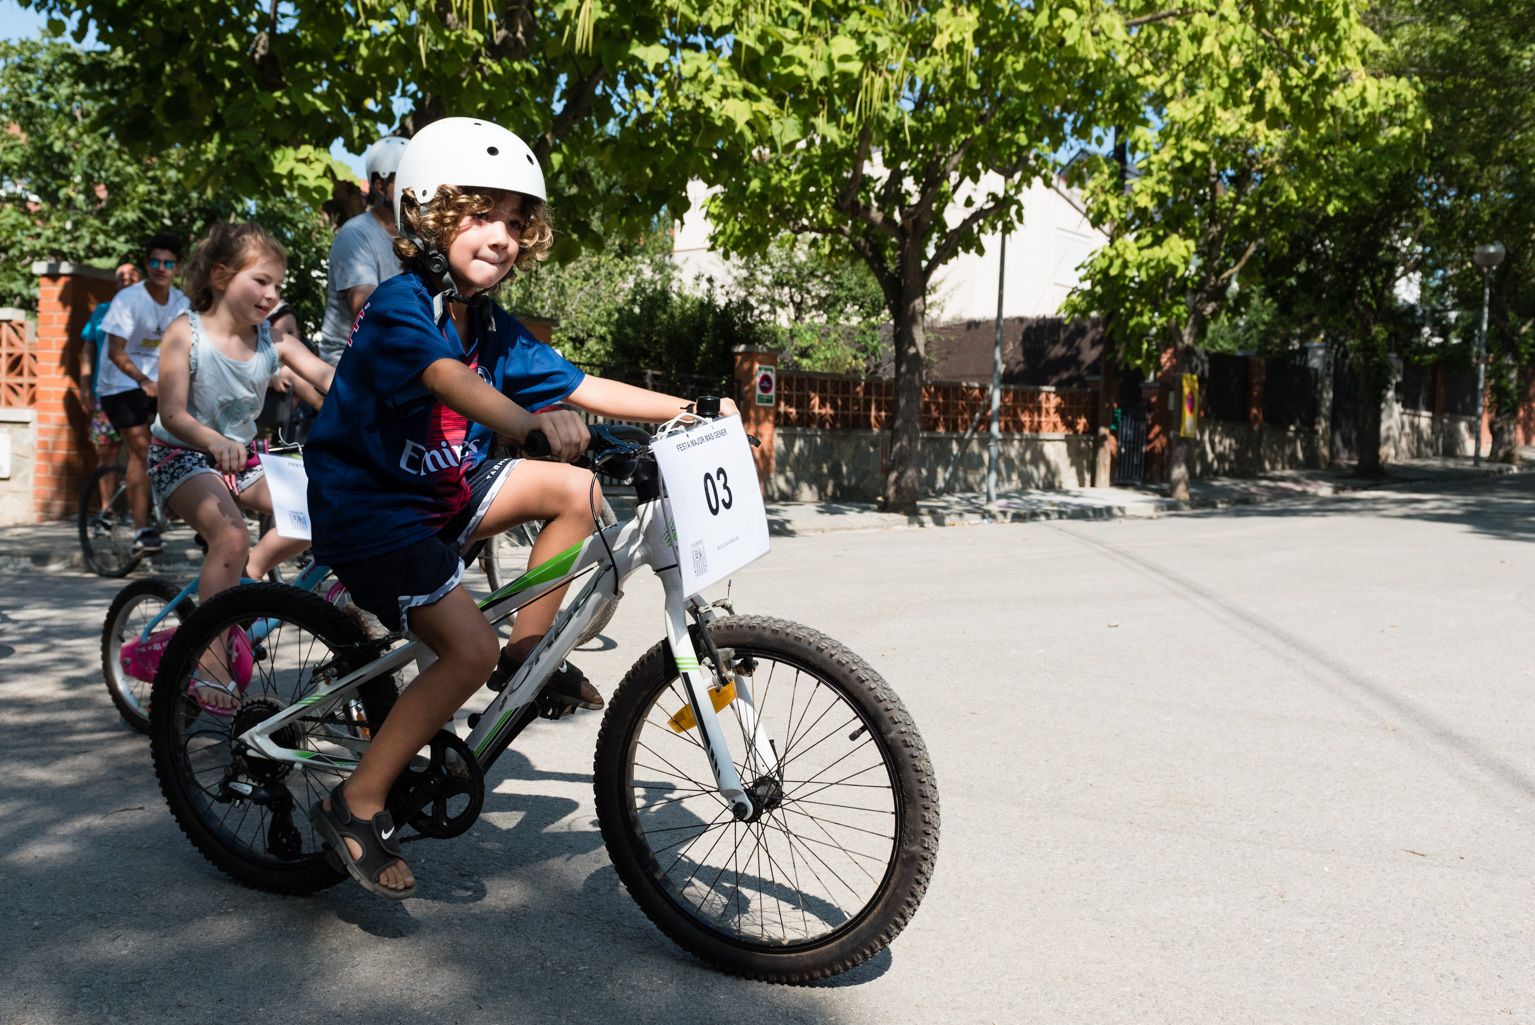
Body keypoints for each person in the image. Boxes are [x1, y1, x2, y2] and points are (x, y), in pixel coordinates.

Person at [304, 116, 737, 898]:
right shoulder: (402, 307)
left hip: (441, 492)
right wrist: (525, 423)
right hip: (370, 510)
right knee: (459, 650)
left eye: (513, 220)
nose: (500, 236)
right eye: (478, 214)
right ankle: (354, 801)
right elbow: (448, 381)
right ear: (428, 215)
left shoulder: (491, 324)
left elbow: (578, 384)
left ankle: (523, 659)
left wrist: (692, 408)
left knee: (577, 490)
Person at [149, 221, 335, 713]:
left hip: (242, 458)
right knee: (230, 535)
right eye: (261, 281)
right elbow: (172, 414)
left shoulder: (273, 343)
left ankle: (245, 576)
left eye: (278, 285)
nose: (272, 294)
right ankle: (209, 658)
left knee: (323, 509)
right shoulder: (184, 333)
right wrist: (214, 441)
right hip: (181, 454)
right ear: (220, 275)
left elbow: (330, 377)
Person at [98, 234, 189, 555]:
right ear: (146, 264)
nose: (161, 268)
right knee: (141, 450)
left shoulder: (181, 302)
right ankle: (141, 530)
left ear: (177, 268)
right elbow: (115, 351)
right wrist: (143, 380)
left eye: (168, 263)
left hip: (160, 384)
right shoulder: (129, 300)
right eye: (154, 262)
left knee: (189, 437)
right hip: (120, 385)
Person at [316, 135, 409, 366]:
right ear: (380, 186)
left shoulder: (414, 238)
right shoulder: (356, 235)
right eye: (406, 180)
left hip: (394, 358)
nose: (415, 188)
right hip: (349, 365)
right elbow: (370, 313)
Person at [80, 262, 143, 524]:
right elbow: (87, 349)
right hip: (104, 393)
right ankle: (107, 510)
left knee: (139, 452)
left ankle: (136, 512)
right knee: (106, 452)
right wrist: (84, 386)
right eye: (121, 277)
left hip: (139, 392)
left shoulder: (147, 310)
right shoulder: (103, 311)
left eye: (131, 276)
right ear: (115, 283)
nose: (126, 280)